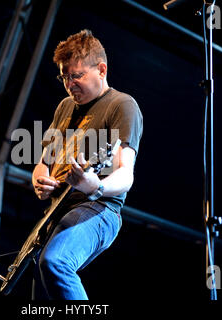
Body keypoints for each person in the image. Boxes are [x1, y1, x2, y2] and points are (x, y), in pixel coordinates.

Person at [31, 29, 143, 300]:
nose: (70, 84)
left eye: (76, 75)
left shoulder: (122, 105)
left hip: (100, 209)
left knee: (56, 262)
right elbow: (43, 162)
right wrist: (40, 180)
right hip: (58, 209)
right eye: (64, 77)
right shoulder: (64, 107)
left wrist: (97, 186)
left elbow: (125, 174)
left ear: (101, 69)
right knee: (41, 290)